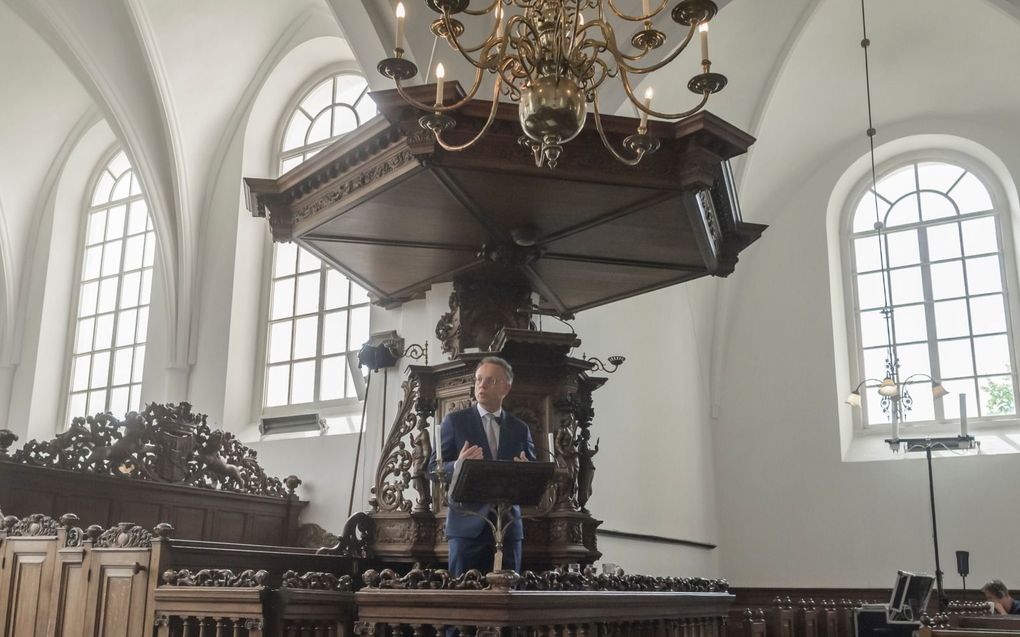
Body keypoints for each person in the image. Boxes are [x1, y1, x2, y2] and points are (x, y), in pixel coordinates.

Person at [429, 356, 536, 576]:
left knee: (508, 598)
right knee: (465, 599)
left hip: (508, 529)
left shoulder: (520, 429)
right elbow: (432, 468)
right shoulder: (455, 422)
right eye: (478, 380)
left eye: (490, 381)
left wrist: (528, 473)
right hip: (467, 528)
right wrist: (458, 464)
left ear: (506, 387)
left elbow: (535, 476)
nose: (482, 385)